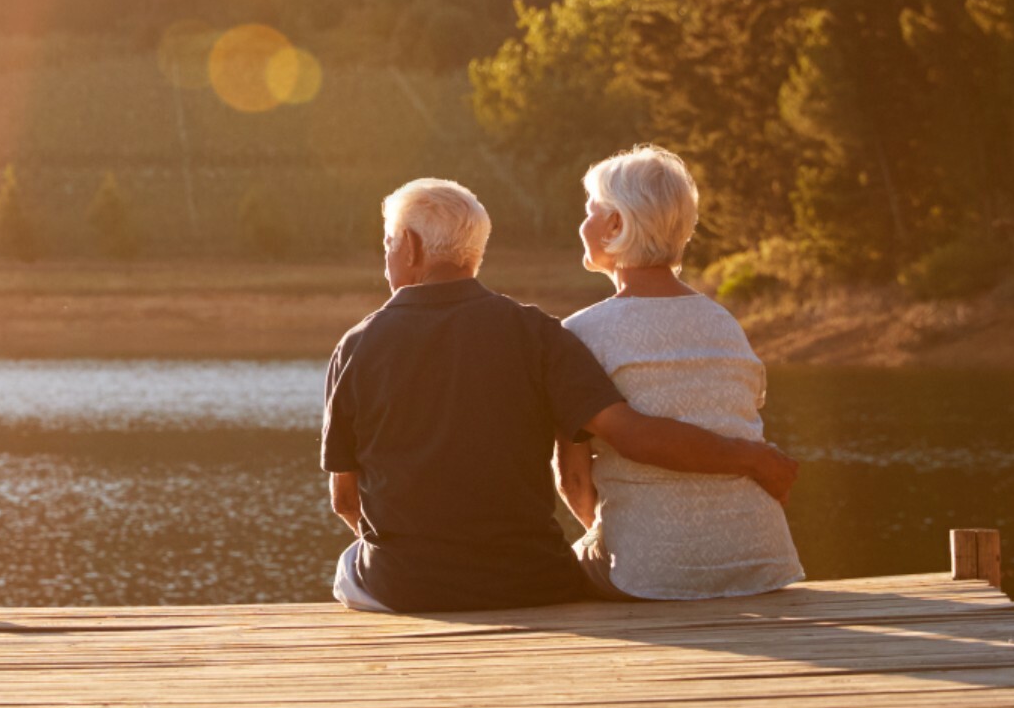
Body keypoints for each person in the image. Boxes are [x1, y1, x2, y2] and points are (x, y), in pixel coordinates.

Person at [324, 177, 797, 614]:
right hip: (531, 581)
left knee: (349, 566)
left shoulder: (356, 346)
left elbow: (345, 501)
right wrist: (751, 457)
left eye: (388, 243)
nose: (386, 256)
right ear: (474, 252)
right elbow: (621, 436)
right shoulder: (540, 334)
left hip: (406, 586)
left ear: (409, 248)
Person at [556, 145, 804, 599]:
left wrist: (639, 543)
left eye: (591, 211)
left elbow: (573, 483)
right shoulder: (724, 322)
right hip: (761, 562)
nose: (582, 224)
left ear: (615, 224)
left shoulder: (579, 333)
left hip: (649, 574)